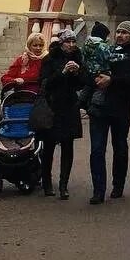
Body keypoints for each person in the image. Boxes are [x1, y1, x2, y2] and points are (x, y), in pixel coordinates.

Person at [88, 20, 130, 204]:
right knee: (97, 149)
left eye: (125, 32)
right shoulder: (106, 50)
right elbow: (92, 68)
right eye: (118, 32)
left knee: (120, 147)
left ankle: (118, 185)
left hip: (121, 108)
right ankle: (98, 190)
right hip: (99, 107)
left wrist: (112, 80)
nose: (120, 35)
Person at [38, 28, 88, 199]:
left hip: (69, 106)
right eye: (68, 42)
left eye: (74, 42)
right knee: (49, 147)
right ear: (61, 43)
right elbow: (45, 83)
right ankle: (47, 183)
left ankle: (64, 185)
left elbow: (82, 84)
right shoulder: (49, 59)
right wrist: (63, 73)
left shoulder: (78, 58)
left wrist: (76, 73)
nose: (71, 45)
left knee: (68, 146)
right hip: (52, 106)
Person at [78, 21, 112, 110]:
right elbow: (109, 58)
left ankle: (82, 100)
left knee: (88, 88)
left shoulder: (86, 44)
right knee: (100, 90)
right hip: (101, 72)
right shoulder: (102, 46)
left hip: (88, 72)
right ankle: (95, 103)